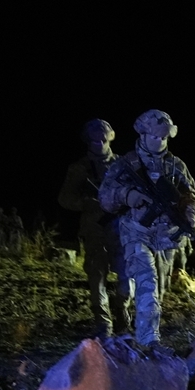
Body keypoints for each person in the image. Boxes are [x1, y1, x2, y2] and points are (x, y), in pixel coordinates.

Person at [99, 109, 195, 347]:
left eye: (164, 138)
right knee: (147, 282)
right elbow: (105, 196)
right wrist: (127, 195)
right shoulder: (126, 164)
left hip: (166, 238)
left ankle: (148, 333)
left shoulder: (176, 166)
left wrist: (190, 216)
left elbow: (191, 197)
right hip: (136, 232)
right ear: (143, 135)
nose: (160, 142)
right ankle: (148, 341)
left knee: (160, 289)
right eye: (155, 137)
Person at [58, 119, 133, 337]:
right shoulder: (79, 168)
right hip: (94, 230)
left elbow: (138, 194)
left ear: (110, 137)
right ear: (87, 140)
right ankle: (103, 322)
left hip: (121, 230)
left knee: (127, 279)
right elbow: (65, 198)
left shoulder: (123, 165)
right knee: (96, 278)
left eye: (103, 136)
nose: (99, 141)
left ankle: (122, 311)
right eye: (94, 137)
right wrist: (88, 202)